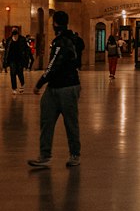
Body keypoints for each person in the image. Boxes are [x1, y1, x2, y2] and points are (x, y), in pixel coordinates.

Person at [28, 10, 83, 168]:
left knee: (70, 122)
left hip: (67, 87)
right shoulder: (65, 39)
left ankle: (75, 154)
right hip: (55, 87)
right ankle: (45, 155)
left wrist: (39, 83)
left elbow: (53, 65)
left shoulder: (62, 41)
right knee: (47, 120)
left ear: (55, 24)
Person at [3, 26, 31, 91]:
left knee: (19, 73)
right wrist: (5, 62)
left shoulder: (22, 39)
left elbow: (26, 49)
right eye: (13, 30)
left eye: (15, 30)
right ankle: (14, 88)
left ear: (18, 31)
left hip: (20, 59)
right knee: (12, 73)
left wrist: (26, 59)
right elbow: (6, 51)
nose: (14, 31)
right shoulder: (9, 40)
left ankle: (22, 84)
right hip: (12, 60)